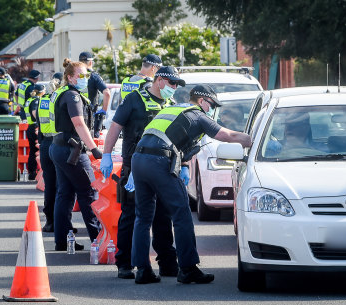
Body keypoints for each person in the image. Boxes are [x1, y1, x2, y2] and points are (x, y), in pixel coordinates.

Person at [131, 84, 251, 284]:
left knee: (142, 217)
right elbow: (228, 136)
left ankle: (142, 271)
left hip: (139, 158)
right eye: (212, 105)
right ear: (203, 101)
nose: (212, 110)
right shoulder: (198, 115)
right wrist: (252, 140)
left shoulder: (171, 109)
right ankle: (188, 269)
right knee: (182, 214)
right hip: (159, 161)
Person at [100, 66, 180, 280]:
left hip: (162, 166)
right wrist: (106, 155)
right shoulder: (134, 100)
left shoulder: (170, 104)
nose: (174, 89)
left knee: (163, 216)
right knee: (131, 215)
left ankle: (167, 263)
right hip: (134, 166)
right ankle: (124, 263)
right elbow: (115, 128)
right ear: (160, 80)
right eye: (172, 84)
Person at [49, 58, 103, 251]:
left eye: (87, 75)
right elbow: (79, 123)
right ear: (70, 77)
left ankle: (62, 241)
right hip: (71, 150)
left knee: (65, 194)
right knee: (89, 192)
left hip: (59, 147)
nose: (85, 78)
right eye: (81, 75)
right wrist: (94, 149)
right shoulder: (72, 96)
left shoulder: (63, 92)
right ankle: (98, 240)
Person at [37, 72, 65, 232]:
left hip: (46, 145)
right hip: (58, 143)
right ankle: (60, 223)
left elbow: (39, 123)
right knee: (62, 187)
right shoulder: (60, 100)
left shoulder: (42, 100)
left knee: (49, 186)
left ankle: (50, 222)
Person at [79, 51, 111, 138]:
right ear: (90, 62)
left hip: (77, 115)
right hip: (90, 117)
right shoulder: (93, 76)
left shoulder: (76, 76)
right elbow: (107, 93)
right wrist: (103, 110)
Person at [23, 84, 45, 180]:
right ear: (41, 92)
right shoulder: (36, 100)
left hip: (30, 127)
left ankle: (32, 172)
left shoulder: (29, 100)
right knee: (38, 151)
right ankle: (34, 172)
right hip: (35, 127)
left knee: (33, 151)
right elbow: (35, 113)